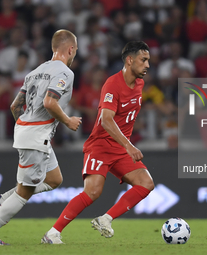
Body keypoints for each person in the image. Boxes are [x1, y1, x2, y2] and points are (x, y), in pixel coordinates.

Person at [41, 41, 154, 244]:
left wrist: (125, 145)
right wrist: (129, 145)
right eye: (143, 60)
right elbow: (106, 119)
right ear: (130, 60)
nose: (147, 65)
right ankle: (52, 233)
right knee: (92, 192)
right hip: (101, 146)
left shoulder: (139, 83)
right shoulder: (112, 84)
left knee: (146, 184)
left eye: (148, 61)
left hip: (120, 149)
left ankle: (105, 219)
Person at [0, 29, 81, 245]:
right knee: (25, 191)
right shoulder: (65, 73)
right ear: (71, 49)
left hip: (31, 131)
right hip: (37, 135)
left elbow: (15, 106)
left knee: (54, 180)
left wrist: (26, 127)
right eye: (75, 51)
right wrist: (67, 121)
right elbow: (50, 102)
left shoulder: (35, 72)